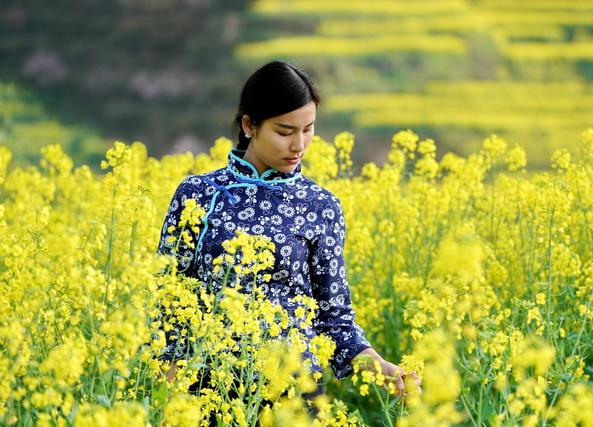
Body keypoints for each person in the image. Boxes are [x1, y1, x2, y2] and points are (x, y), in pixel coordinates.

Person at [157, 61, 420, 416]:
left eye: (308, 130)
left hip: (294, 393)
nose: (298, 145)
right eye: (284, 132)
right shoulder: (199, 194)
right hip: (208, 390)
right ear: (250, 125)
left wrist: (377, 365)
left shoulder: (321, 205)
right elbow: (169, 299)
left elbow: (334, 317)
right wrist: (170, 390)